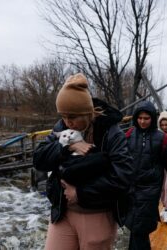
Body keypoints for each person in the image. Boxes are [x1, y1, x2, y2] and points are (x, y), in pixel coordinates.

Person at [33, 73, 134, 250]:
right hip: (63, 212)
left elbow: (123, 177)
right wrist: (68, 146)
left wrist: (80, 193)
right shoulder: (62, 127)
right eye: (63, 116)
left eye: (72, 116)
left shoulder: (111, 132)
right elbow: (39, 159)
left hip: (97, 214)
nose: (67, 122)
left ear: (87, 112)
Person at [124, 101, 167, 250]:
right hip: (131, 188)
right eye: (140, 118)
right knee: (135, 226)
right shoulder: (130, 134)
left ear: (152, 119)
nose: (143, 121)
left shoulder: (161, 138)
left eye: (146, 118)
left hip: (150, 189)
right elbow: (122, 159)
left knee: (140, 227)